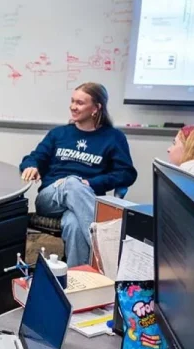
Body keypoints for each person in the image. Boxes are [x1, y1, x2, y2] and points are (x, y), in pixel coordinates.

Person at [20, 82, 137, 267]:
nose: (73, 107)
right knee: (72, 183)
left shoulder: (113, 137)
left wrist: (92, 183)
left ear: (96, 108)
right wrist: (31, 166)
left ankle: (78, 283)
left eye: (80, 103)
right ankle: (110, 254)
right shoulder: (59, 134)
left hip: (84, 200)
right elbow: (33, 158)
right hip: (50, 199)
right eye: (72, 101)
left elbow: (126, 174)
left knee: (74, 224)